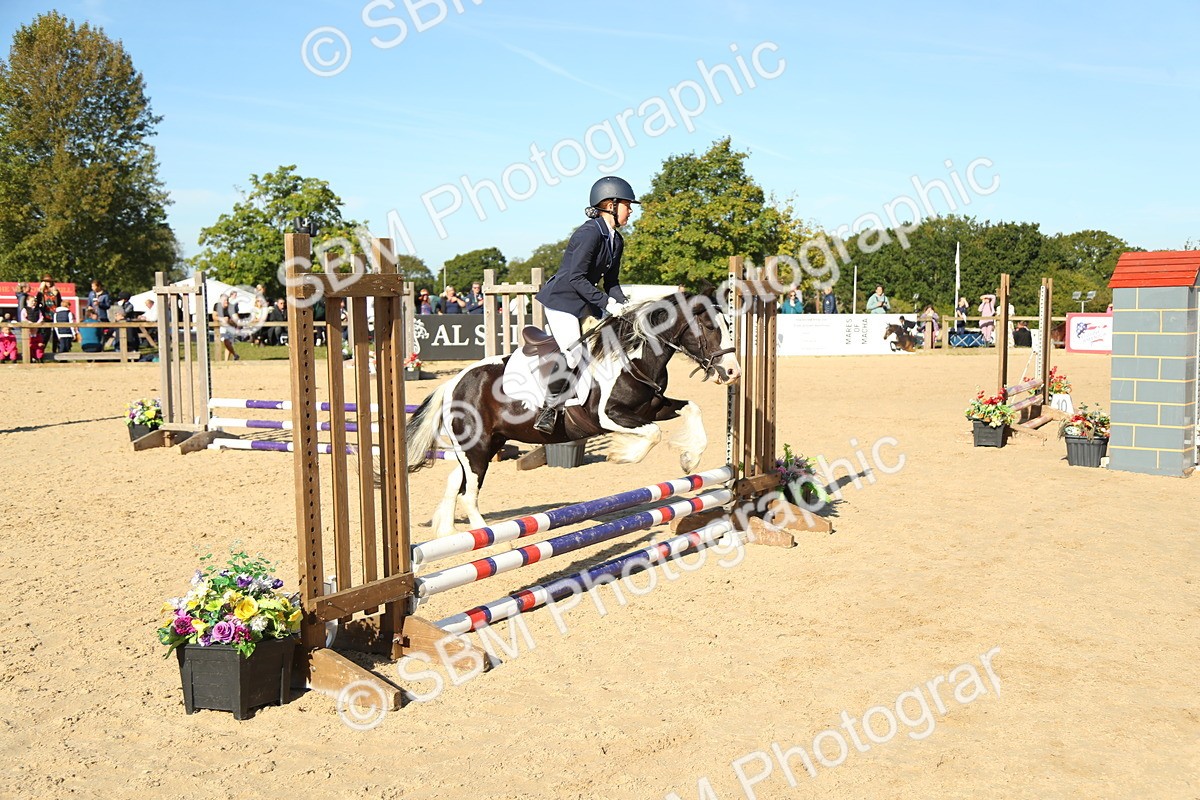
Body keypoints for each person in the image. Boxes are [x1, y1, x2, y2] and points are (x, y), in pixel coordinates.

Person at [531, 175, 635, 434]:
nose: (630, 210)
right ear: (610, 204)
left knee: (613, 342)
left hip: (586, 301)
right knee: (574, 353)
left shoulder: (616, 240)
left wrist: (623, 305)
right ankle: (549, 409)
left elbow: (611, 281)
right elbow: (575, 277)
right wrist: (607, 304)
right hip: (562, 301)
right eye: (626, 204)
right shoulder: (589, 234)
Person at [212, 293, 240, 361]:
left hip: (231, 326)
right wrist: (222, 319)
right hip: (222, 326)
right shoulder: (217, 306)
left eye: (227, 300)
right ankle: (235, 354)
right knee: (225, 340)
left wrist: (229, 321)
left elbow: (236, 318)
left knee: (229, 343)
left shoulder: (231, 307)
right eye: (224, 300)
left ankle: (226, 361)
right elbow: (214, 316)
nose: (226, 302)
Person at [19, 296, 45, 363]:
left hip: (36, 329)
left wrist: (37, 323)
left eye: (35, 301)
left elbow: (41, 317)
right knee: (29, 344)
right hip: (28, 330)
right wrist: (29, 323)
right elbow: (23, 318)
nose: (34, 302)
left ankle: (38, 358)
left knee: (37, 343)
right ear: (27, 301)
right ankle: (29, 358)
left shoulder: (38, 310)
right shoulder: (25, 309)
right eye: (32, 301)